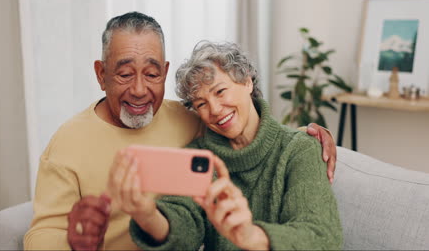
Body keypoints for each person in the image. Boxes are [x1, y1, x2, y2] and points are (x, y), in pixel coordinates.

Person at [23, 12, 337, 250]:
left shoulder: (189, 122)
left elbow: (252, 131)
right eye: (123, 73)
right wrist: (141, 217)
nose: (139, 89)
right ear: (101, 74)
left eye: (151, 73)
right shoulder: (68, 143)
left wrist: (306, 135)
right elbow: (185, 219)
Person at [108, 41, 342, 250]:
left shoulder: (299, 150)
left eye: (220, 91)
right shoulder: (198, 157)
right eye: (201, 104)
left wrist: (251, 236)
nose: (215, 110)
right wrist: (147, 215)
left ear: (248, 81)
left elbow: (321, 237)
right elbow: (184, 224)